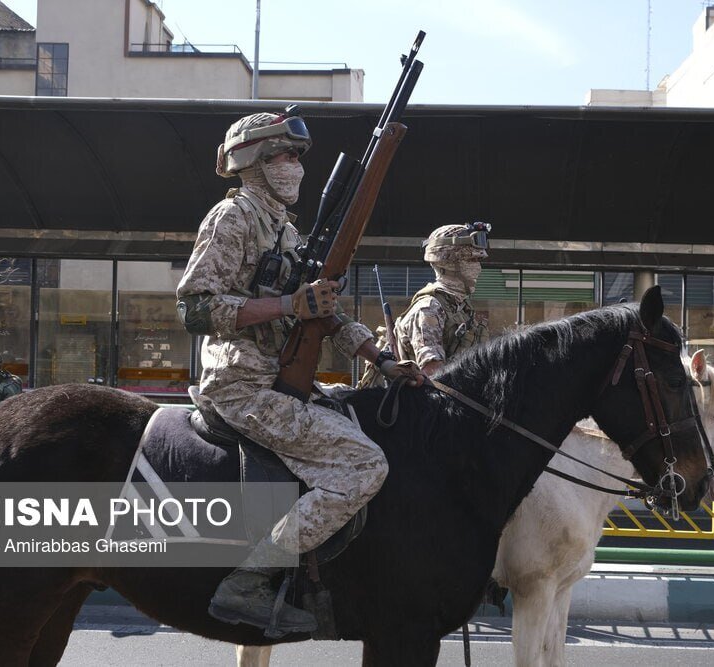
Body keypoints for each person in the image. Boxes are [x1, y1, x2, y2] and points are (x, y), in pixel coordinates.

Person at [175, 110, 425, 636]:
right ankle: (250, 579)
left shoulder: (284, 228)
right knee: (363, 465)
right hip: (241, 385)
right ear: (256, 161)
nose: (295, 168)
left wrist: (380, 360)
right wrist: (289, 303)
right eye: (286, 156)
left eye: (296, 158)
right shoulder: (234, 218)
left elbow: (322, 311)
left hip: (278, 381)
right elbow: (195, 307)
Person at [360, 223, 489, 384]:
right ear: (448, 262)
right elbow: (433, 375)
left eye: (478, 260)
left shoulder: (461, 308)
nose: (478, 267)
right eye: (471, 260)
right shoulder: (429, 309)